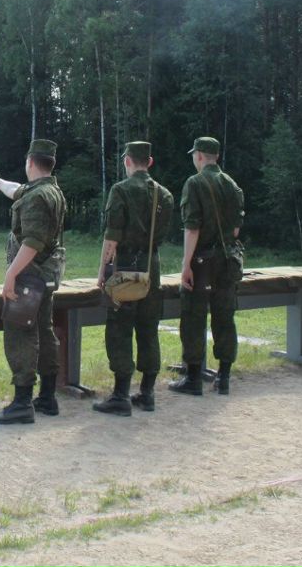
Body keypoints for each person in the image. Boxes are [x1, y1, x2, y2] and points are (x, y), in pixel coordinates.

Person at [0, 139, 67, 425]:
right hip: (45, 276)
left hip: (28, 277)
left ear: (30, 161)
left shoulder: (35, 197)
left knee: (20, 332)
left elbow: (32, 241)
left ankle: (21, 403)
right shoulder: (50, 191)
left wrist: (11, 275)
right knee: (44, 332)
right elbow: (15, 190)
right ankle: (47, 396)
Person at [92, 141, 174, 415]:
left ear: (127, 161)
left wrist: (102, 273)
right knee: (149, 328)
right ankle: (147, 393)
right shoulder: (165, 195)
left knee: (119, 329)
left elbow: (112, 238)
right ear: (149, 162)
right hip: (152, 266)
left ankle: (120, 395)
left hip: (125, 265)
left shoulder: (121, 190)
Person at [168, 137, 244, 396]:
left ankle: (193, 378)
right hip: (228, 261)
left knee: (193, 317)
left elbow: (192, 228)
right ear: (216, 157)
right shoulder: (233, 186)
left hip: (203, 262)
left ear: (199, 156)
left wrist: (186, 264)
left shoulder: (195, 183)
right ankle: (223, 377)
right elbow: (235, 229)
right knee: (225, 317)